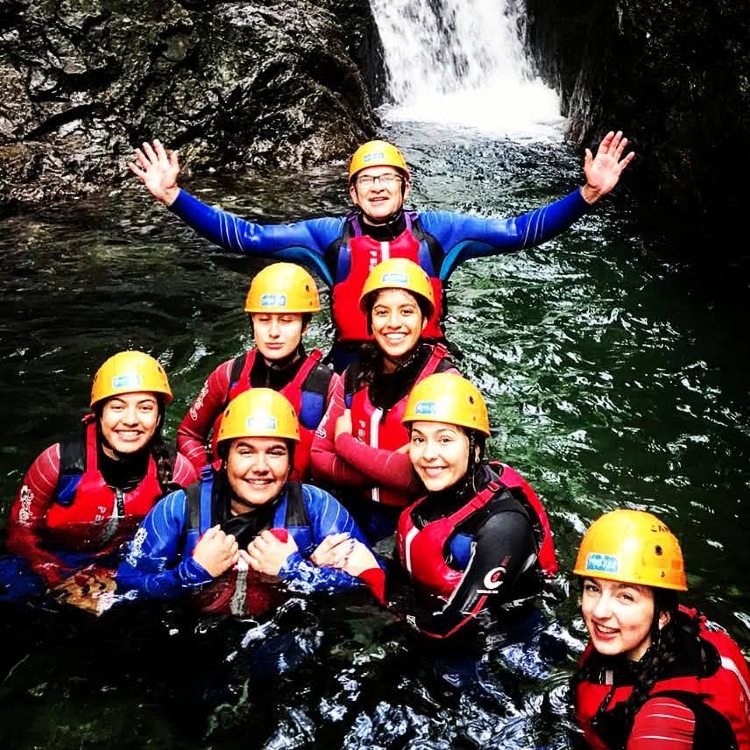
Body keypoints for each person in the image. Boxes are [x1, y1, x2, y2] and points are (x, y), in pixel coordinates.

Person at [129, 133, 635, 371]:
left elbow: (522, 230)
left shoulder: (440, 233)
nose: (376, 189)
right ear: (352, 193)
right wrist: (175, 197)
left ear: (404, 187)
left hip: (428, 360)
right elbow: (246, 236)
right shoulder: (327, 237)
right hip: (352, 363)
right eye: (365, 181)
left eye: (386, 179)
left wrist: (586, 195)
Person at [316, 372, 558, 641]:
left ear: (475, 446)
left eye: (445, 439)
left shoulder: (503, 527)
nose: (429, 454)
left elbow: (448, 629)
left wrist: (372, 576)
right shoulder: (433, 492)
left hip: (501, 640)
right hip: (432, 614)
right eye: (419, 439)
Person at [116, 388, 374, 616]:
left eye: (275, 453)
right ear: (225, 457)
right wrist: (192, 572)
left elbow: (373, 587)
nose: (260, 467)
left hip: (283, 633)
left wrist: (297, 570)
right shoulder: (178, 509)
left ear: (290, 462)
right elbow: (127, 588)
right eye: (246, 451)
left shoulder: (317, 507)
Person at [4, 350, 197, 609]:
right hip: (54, 561)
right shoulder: (56, 463)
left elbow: (183, 546)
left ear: (159, 417)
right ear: (99, 413)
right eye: (117, 407)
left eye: (145, 408)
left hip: (126, 568)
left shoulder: (178, 473)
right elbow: (21, 532)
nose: (130, 420)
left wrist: (118, 578)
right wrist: (57, 578)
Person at [572, 509, 750, 749]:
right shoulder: (680, 632)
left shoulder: (663, 725)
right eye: (593, 588)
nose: (599, 611)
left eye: (625, 596)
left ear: (662, 615)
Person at [310, 258, 458, 542]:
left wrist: (345, 445)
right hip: (354, 511)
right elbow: (318, 457)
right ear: (370, 320)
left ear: (424, 319)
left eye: (406, 312)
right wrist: (387, 467)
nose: (393, 323)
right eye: (381, 312)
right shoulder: (352, 375)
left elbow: (415, 478)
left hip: (419, 518)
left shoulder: (444, 381)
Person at [177, 261, 336, 481]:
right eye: (263, 320)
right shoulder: (227, 374)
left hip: (295, 501)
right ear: (252, 323)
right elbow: (188, 434)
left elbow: (336, 461)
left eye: (286, 321)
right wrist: (208, 478)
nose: (273, 332)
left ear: (306, 325)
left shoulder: (328, 386)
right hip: (232, 495)